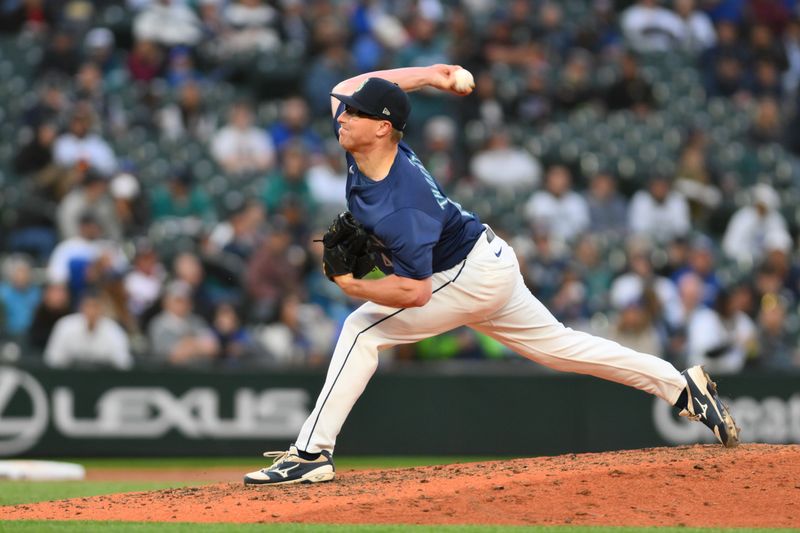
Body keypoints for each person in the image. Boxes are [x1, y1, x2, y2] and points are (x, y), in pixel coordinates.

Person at [243, 64, 739, 486]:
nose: (343, 116)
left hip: (465, 276)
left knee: (360, 329)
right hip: (486, 261)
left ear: (382, 129)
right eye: (347, 111)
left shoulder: (403, 206)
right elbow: (351, 83)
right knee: (562, 348)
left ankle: (311, 454)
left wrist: (351, 286)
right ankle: (681, 387)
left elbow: (415, 294)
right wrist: (434, 75)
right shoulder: (367, 139)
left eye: (356, 113)